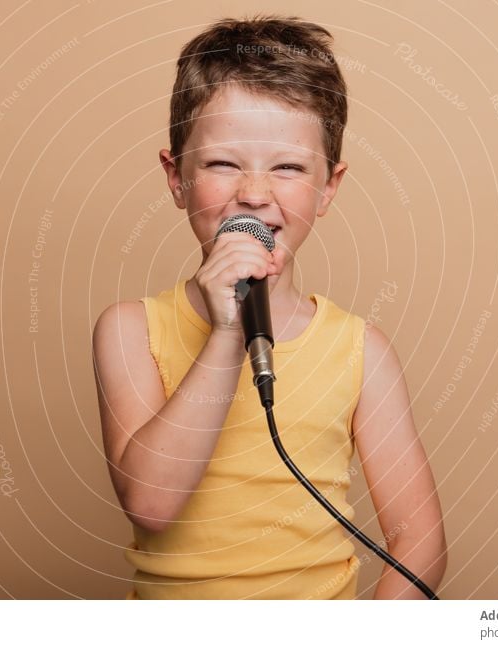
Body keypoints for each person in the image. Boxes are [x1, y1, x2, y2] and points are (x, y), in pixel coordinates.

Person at [93, 15, 447, 599]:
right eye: (221, 163)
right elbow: (151, 505)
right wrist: (227, 332)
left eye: (287, 167)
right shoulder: (130, 330)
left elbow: (420, 544)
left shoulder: (359, 350)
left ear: (328, 188)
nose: (255, 193)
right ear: (176, 177)